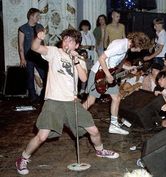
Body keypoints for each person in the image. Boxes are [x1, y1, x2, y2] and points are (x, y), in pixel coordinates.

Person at [15, 29, 119, 175]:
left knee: (94, 130)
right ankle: (23, 158)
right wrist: (38, 38)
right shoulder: (54, 52)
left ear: (76, 45)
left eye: (70, 41)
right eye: (65, 39)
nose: (66, 42)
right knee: (42, 136)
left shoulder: (80, 60)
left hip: (72, 102)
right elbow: (35, 48)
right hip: (54, 101)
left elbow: (83, 78)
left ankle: (100, 151)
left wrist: (76, 60)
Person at [82, 32, 150, 135]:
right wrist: (108, 75)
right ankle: (75, 118)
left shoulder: (124, 45)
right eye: (140, 48)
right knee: (90, 101)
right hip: (99, 74)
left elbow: (113, 62)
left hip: (106, 74)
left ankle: (113, 126)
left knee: (117, 97)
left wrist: (128, 68)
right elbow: (101, 58)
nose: (139, 51)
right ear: (136, 44)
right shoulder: (120, 46)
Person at [18, 8, 47, 101]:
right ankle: (33, 97)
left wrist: (46, 54)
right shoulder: (22, 28)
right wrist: (22, 59)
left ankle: (44, 95)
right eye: (37, 16)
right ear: (31, 16)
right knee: (30, 77)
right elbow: (21, 45)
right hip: (28, 57)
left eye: (39, 16)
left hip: (39, 56)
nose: (38, 18)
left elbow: (43, 42)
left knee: (45, 76)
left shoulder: (40, 27)